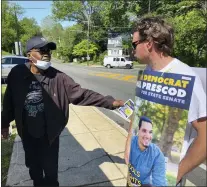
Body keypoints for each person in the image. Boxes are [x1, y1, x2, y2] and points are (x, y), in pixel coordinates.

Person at [1, 35, 124, 186]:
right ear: (29, 55)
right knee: (34, 170)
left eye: (48, 50)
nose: (46, 53)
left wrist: (110, 102)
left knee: (51, 173)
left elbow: (82, 94)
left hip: (50, 137)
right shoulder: (17, 73)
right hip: (27, 134)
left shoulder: (58, 77)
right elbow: (9, 100)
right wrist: (4, 123)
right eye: (42, 50)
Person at [125, 17, 206, 185]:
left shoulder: (185, 77)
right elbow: (139, 111)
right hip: (137, 172)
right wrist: (128, 146)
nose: (133, 50)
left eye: (134, 44)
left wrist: (177, 173)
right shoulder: (147, 71)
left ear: (148, 44)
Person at [127, 116, 166, 186]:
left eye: (150, 132)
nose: (148, 136)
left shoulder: (157, 155)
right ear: (138, 130)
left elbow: (159, 182)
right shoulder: (129, 142)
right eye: (144, 131)